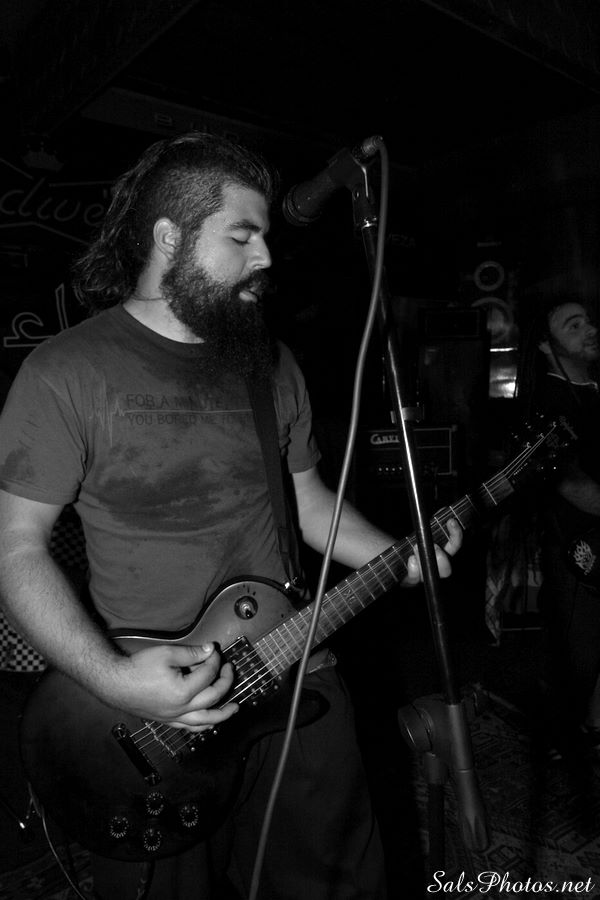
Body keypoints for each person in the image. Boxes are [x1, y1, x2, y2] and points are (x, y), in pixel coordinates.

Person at [0, 132, 461, 900]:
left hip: (300, 669)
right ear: (169, 237)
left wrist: (404, 557)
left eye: (266, 237)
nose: (266, 256)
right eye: (242, 235)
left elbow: (310, 504)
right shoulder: (66, 371)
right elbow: (14, 548)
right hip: (156, 714)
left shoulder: (269, 362)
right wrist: (115, 680)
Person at [515, 296, 600, 760]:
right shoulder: (551, 400)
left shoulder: (592, 389)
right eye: (574, 326)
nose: (590, 330)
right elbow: (569, 482)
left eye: (588, 321)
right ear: (547, 347)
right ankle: (564, 739)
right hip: (577, 545)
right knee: (578, 653)